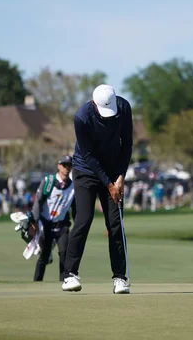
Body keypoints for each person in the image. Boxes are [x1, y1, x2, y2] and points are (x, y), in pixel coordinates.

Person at [62, 84, 133, 294]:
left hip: (113, 172)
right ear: (94, 103)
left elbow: (127, 144)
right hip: (86, 170)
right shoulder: (82, 117)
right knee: (84, 219)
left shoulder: (124, 107)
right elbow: (89, 155)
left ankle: (120, 278)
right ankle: (69, 275)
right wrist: (109, 184)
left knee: (115, 223)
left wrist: (120, 177)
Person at [31, 156, 76, 282]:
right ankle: (37, 282)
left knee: (64, 253)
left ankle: (64, 281)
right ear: (59, 166)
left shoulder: (73, 186)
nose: (67, 168)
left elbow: (75, 208)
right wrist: (34, 221)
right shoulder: (48, 181)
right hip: (46, 224)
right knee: (44, 256)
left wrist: (78, 226)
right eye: (64, 165)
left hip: (62, 225)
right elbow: (38, 201)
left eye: (69, 165)